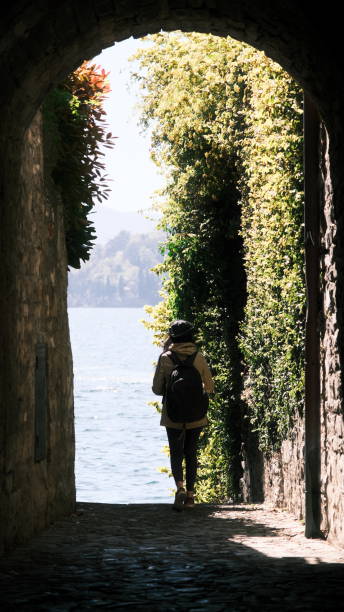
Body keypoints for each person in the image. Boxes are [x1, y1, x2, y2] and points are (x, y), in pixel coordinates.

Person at [152, 319, 214, 510]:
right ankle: (190, 497)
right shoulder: (199, 357)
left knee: (176, 452)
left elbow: (156, 389)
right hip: (196, 415)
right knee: (191, 452)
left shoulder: (165, 358)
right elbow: (210, 387)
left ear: (172, 337)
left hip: (172, 414)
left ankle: (179, 486)